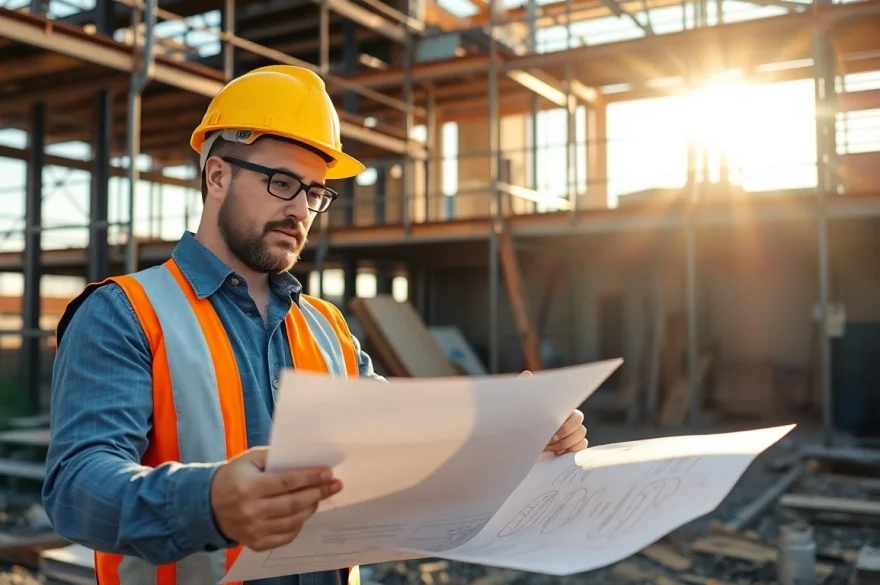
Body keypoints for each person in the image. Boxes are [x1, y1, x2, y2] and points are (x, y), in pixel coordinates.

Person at [42, 64, 588, 585]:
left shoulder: (328, 326)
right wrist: (208, 501)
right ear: (217, 176)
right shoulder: (126, 312)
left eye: (315, 192)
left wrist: (516, 434)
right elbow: (77, 485)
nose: (301, 210)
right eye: (282, 182)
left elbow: (404, 437)